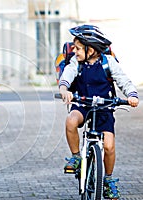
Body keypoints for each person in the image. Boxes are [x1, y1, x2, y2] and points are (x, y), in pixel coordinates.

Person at [58, 24, 139, 199]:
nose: (75, 52)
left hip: (104, 107)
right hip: (82, 103)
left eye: (78, 48)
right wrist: (64, 89)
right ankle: (76, 157)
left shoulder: (107, 62)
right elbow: (68, 74)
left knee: (109, 146)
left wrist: (132, 95)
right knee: (71, 121)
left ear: (92, 49)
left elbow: (123, 80)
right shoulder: (76, 63)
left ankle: (108, 180)